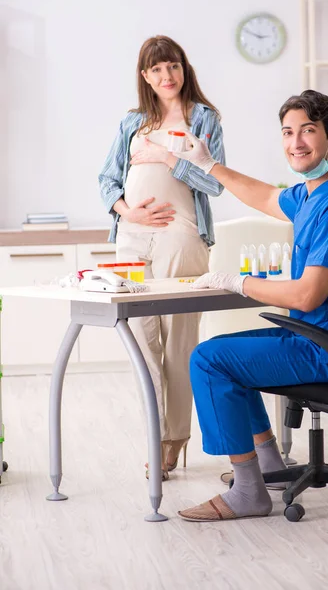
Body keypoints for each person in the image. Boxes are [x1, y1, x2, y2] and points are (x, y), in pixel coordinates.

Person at [171, 89, 328, 521]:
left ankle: (248, 492)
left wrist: (239, 282)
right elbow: (268, 198)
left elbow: (307, 295)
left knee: (210, 360)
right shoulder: (321, 191)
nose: (296, 142)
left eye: (308, 130)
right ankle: (268, 463)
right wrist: (208, 164)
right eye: (288, 132)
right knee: (228, 353)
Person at [99, 35, 225, 480]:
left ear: (183, 67)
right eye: (156, 70)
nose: (166, 76)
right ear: (145, 76)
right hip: (132, 239)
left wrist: (167, 158)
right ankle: (156, 434)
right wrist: (128, 210)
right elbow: (106, 180)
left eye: (172, 66)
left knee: (178, 344)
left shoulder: (203, 118)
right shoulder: (132, 121)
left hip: (181, 236)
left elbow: (214, 183)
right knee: (142, 344)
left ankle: (173, 443)